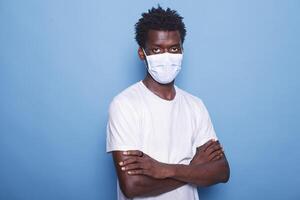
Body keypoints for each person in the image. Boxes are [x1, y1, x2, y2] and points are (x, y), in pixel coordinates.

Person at [106, 5, 230, 200]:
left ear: (182, 50)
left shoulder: (195, 105)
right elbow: (132, 186)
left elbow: (221, 172)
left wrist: (164, 169)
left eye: (173, 49)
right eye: (156, 50)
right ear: (142, 54)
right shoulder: (125, 105)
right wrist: (192, 169)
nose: (166, 57)